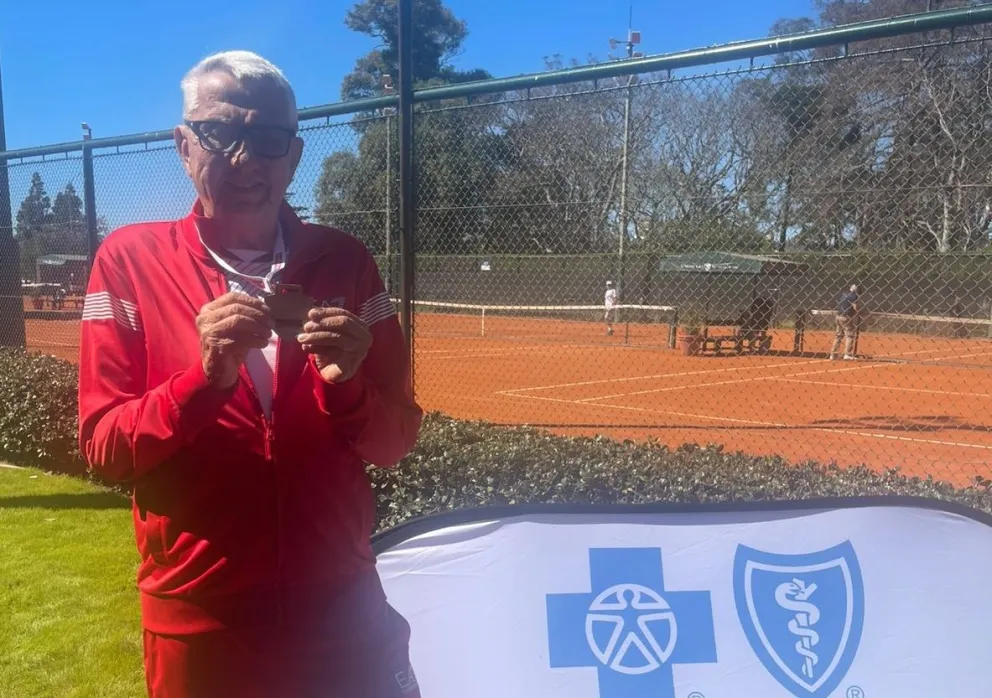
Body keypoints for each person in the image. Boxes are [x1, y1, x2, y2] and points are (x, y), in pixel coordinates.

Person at [77, 51, 423, 698]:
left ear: (293, 156)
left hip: (342, 614)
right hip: (200, 624)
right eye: (219, 133)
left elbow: (395, 440)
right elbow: (104, 447)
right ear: (184, 146)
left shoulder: (346, 262)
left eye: (268, 139)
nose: (244, 159)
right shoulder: (129, 261)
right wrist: (202, 383)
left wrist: (347, 389)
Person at [830, 283, 860, 360]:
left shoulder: (844, 293)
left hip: (838, 316)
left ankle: (833, 355)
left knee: (838, 336)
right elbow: (855, 307)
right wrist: (857, 312)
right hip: (845, 317)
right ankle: (847, 354)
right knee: (850, 335)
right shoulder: (854, 295)